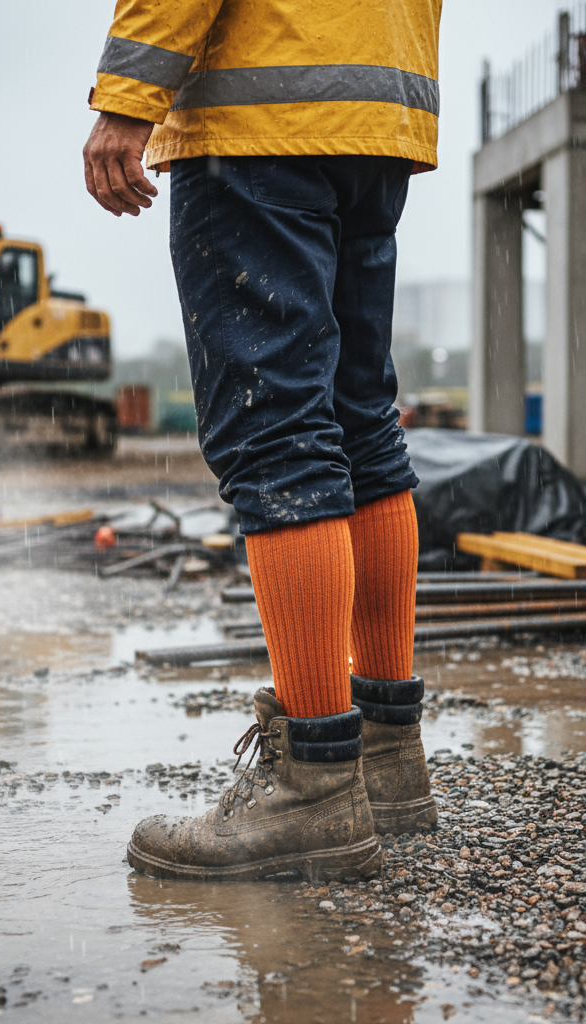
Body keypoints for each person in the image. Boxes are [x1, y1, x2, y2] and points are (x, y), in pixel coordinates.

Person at [83, 0, 442, 881]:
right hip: (377, 110)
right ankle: (388, 758)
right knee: (360, 425)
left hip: (258, 117)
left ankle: (315, 785)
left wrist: (128, 96)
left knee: (276, 434)